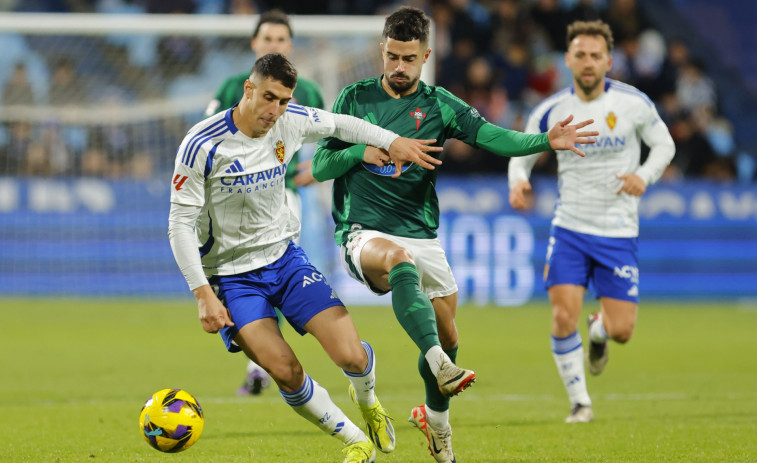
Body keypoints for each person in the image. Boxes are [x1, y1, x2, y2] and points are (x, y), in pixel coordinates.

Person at [311, 7, 597, 462]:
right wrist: (363, 151)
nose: (398, 67)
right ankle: (440, 365)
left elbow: (494, 137)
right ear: (381, 51)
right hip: (362, 232)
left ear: (425, 55)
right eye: (391, 57)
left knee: (448, 331)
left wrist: (546, 140)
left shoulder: (439, 105)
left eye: (408, 58)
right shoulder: (354, 99)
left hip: (421, 233)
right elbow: (320, 165)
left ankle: (436, 421)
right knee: (399, 265)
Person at [168, 53, 443, 463]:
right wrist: (202, 293)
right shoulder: (202, 144)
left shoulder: (289, 120)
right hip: (231, 278)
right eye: (269, 98)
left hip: (285, 261)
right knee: (284, 370)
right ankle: (356, 441)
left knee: (351, 355)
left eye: (284, 101)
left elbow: (342, 124)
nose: (275, 110)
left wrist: (390, 141)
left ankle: (367, 400)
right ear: (248, 89)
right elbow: (179, 224)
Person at [508, 20, 675, 424]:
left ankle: (599, 330)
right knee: (563, 316)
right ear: (567, 59)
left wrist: (644, 176)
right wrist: (519, 181)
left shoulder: (633, 103)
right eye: (580, 55)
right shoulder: (551, 109)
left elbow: (664, 145)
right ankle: (580, 402)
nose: (587, 62)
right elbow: (521, 153)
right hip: (570, 227)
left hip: (618, 231)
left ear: (608, 61)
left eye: (595, 56)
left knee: (622, 331)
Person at [204, 9, 325, 397]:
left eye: (281, 40)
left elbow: (330, 140)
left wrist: (319, 169)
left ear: (290, 46)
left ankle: (260, 366)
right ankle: (258, 355)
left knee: (274, 271)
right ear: (255, 44)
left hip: (284, 194)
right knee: (241, 273)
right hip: (233, 199)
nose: (273, 45)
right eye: (267, 39)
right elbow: (207, 137)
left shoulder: (307, 91)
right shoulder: (230, 89)